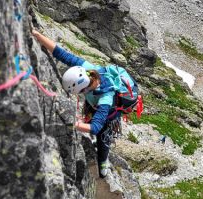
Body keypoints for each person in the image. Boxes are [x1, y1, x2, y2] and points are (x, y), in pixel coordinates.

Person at [32, 29, 139, 178]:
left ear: (86, 88)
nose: (80, 95)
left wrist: (71, 124)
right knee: (90, 114)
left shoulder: (106, 99)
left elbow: (95, 127)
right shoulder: (88, 69)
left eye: (81, 92)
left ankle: (103, 162)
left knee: (103, 132)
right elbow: (62, 54)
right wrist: (37, 35)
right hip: (94, 101)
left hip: (110, 108)